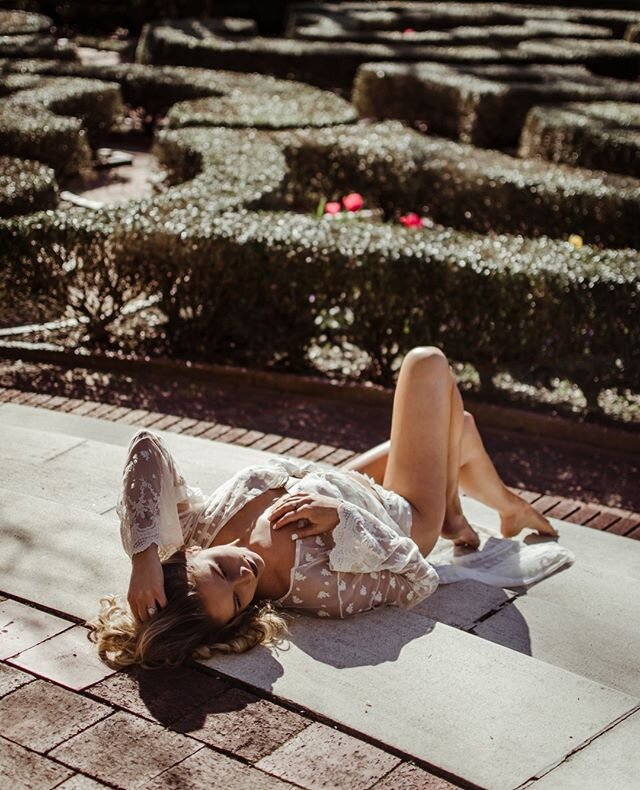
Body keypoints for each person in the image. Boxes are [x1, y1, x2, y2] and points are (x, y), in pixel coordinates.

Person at [88, 346, 558, 669]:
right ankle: (455, 510)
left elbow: (147, 447)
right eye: (236, 600)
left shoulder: (195, 528)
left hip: (344, 478)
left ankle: (477, 506)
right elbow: (416, 577)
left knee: (457, 425)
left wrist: (144, 557)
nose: (246, 577)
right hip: (401, 512)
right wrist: (341, 518)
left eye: (224, 571)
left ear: (188, 554)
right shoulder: (312, 588)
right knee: (427, 366)